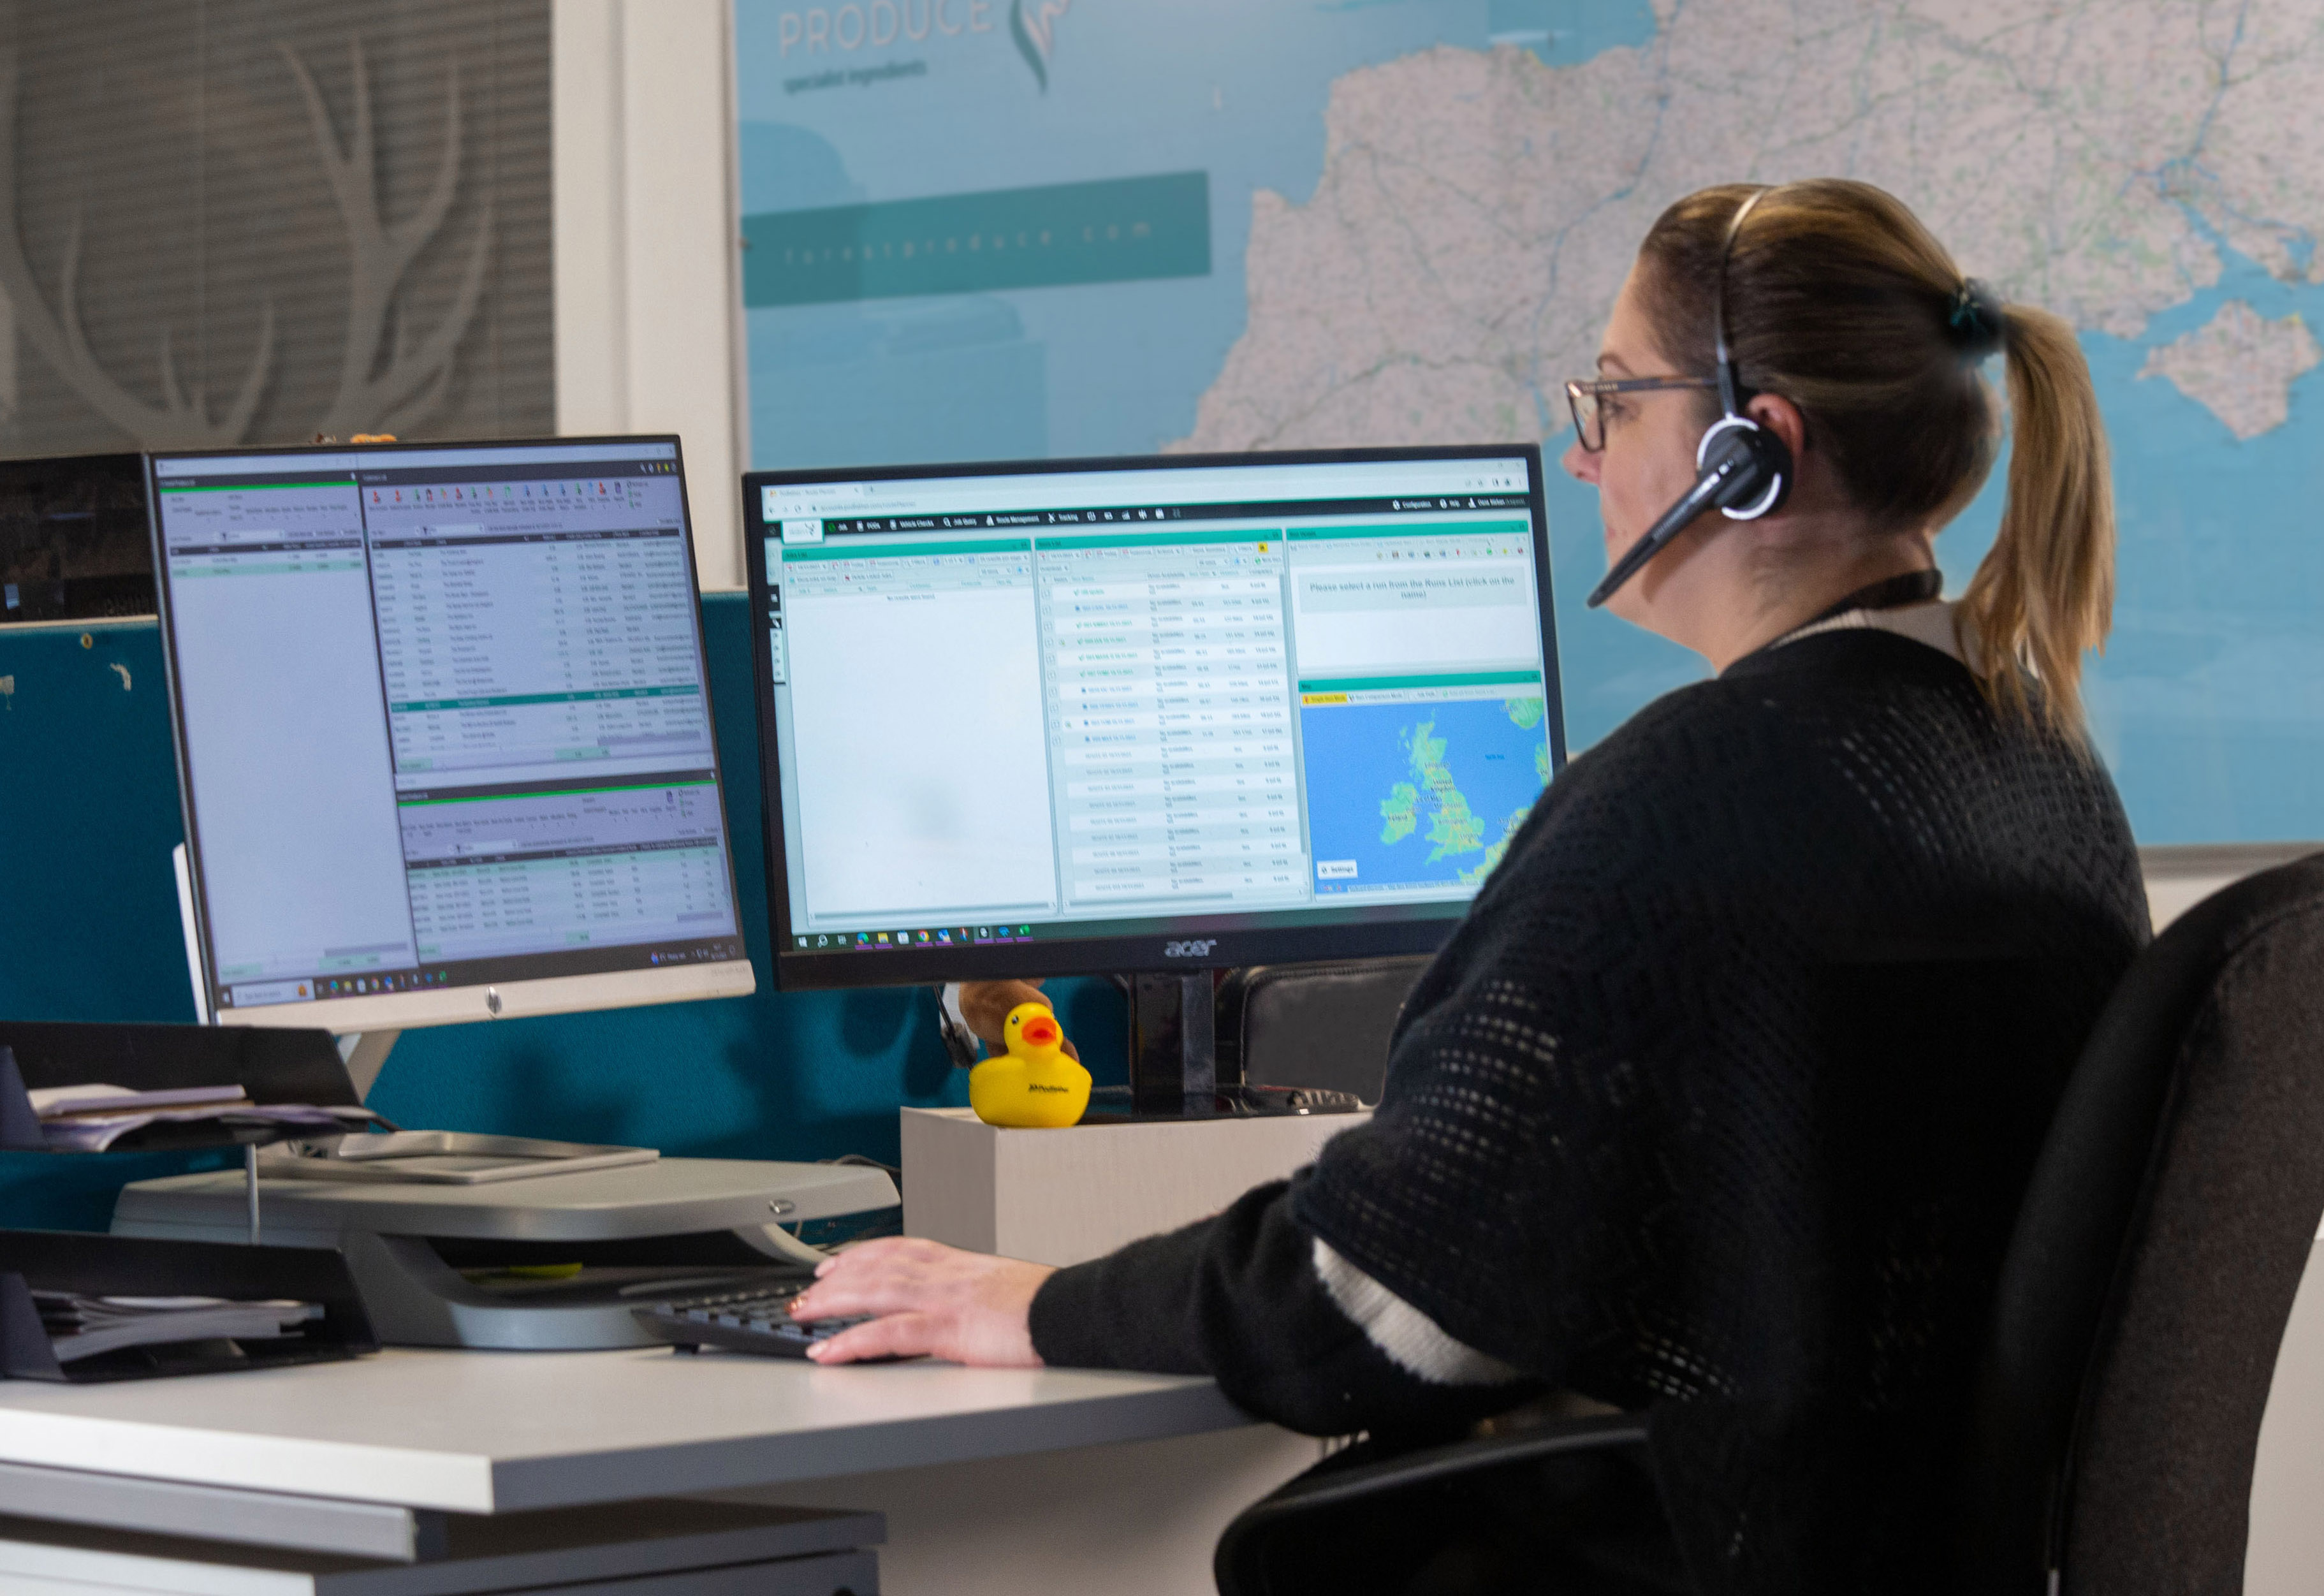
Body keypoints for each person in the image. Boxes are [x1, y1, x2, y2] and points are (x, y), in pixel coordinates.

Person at [786, 179, 2150, 1593]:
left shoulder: (1688, 801)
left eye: (1614, 400)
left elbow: (1376, 1310)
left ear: (1752, 452)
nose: (1583, 457)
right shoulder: (2037, 766)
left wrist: (1036, 1304)